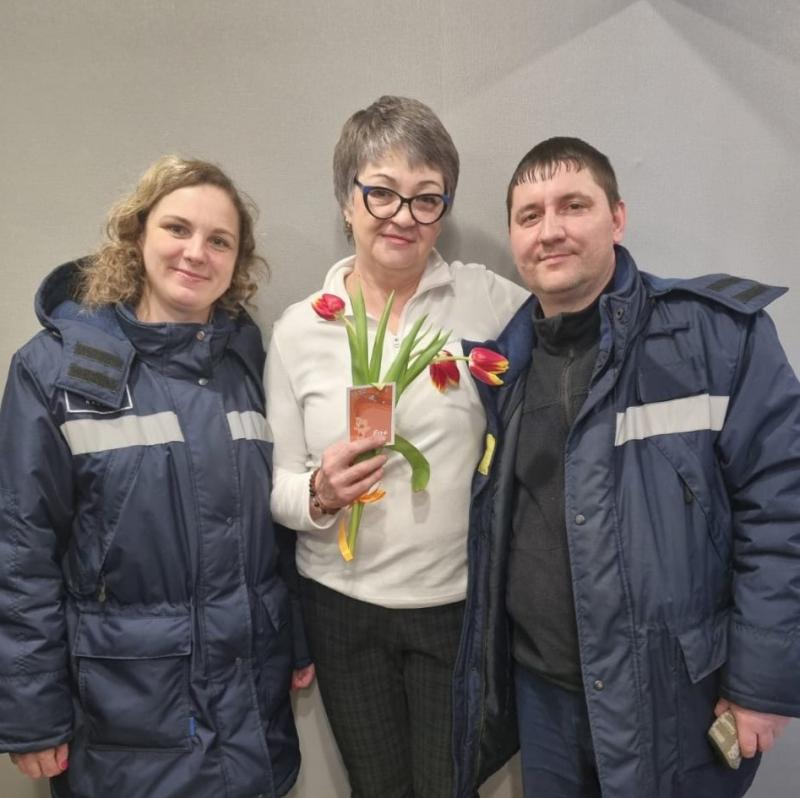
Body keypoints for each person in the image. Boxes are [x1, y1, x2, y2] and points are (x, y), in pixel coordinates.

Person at [452, 137, 800, 798]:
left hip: (673, 699)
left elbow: (783, 511)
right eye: (530, 216)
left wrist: (761, 682)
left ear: (617, 217)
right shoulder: (504, 367)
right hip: (544, 699)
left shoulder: (715, 338)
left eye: (573, 206)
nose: (550, 230)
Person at [0, 155, 312, 798]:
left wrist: (297, 638)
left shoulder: (248, 364)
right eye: (177, 228)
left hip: (251, 714)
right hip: (128, 724)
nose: (196, 252)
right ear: (137, 234)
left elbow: (273, 526)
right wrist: (30, 710)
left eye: (219, 240)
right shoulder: (56, 369)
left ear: (237, 262)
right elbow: (20, 548)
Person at [266, 96, 527, 797]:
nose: (403, 216)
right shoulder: (300, 330)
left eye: (426, 197)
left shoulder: (489, 303)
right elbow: (279, 488)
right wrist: (319, 493)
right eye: (381, 192)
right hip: (340, 607)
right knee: (376, 786)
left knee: (449, 786)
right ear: (346, 201)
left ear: (443, 209)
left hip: (456, 605)